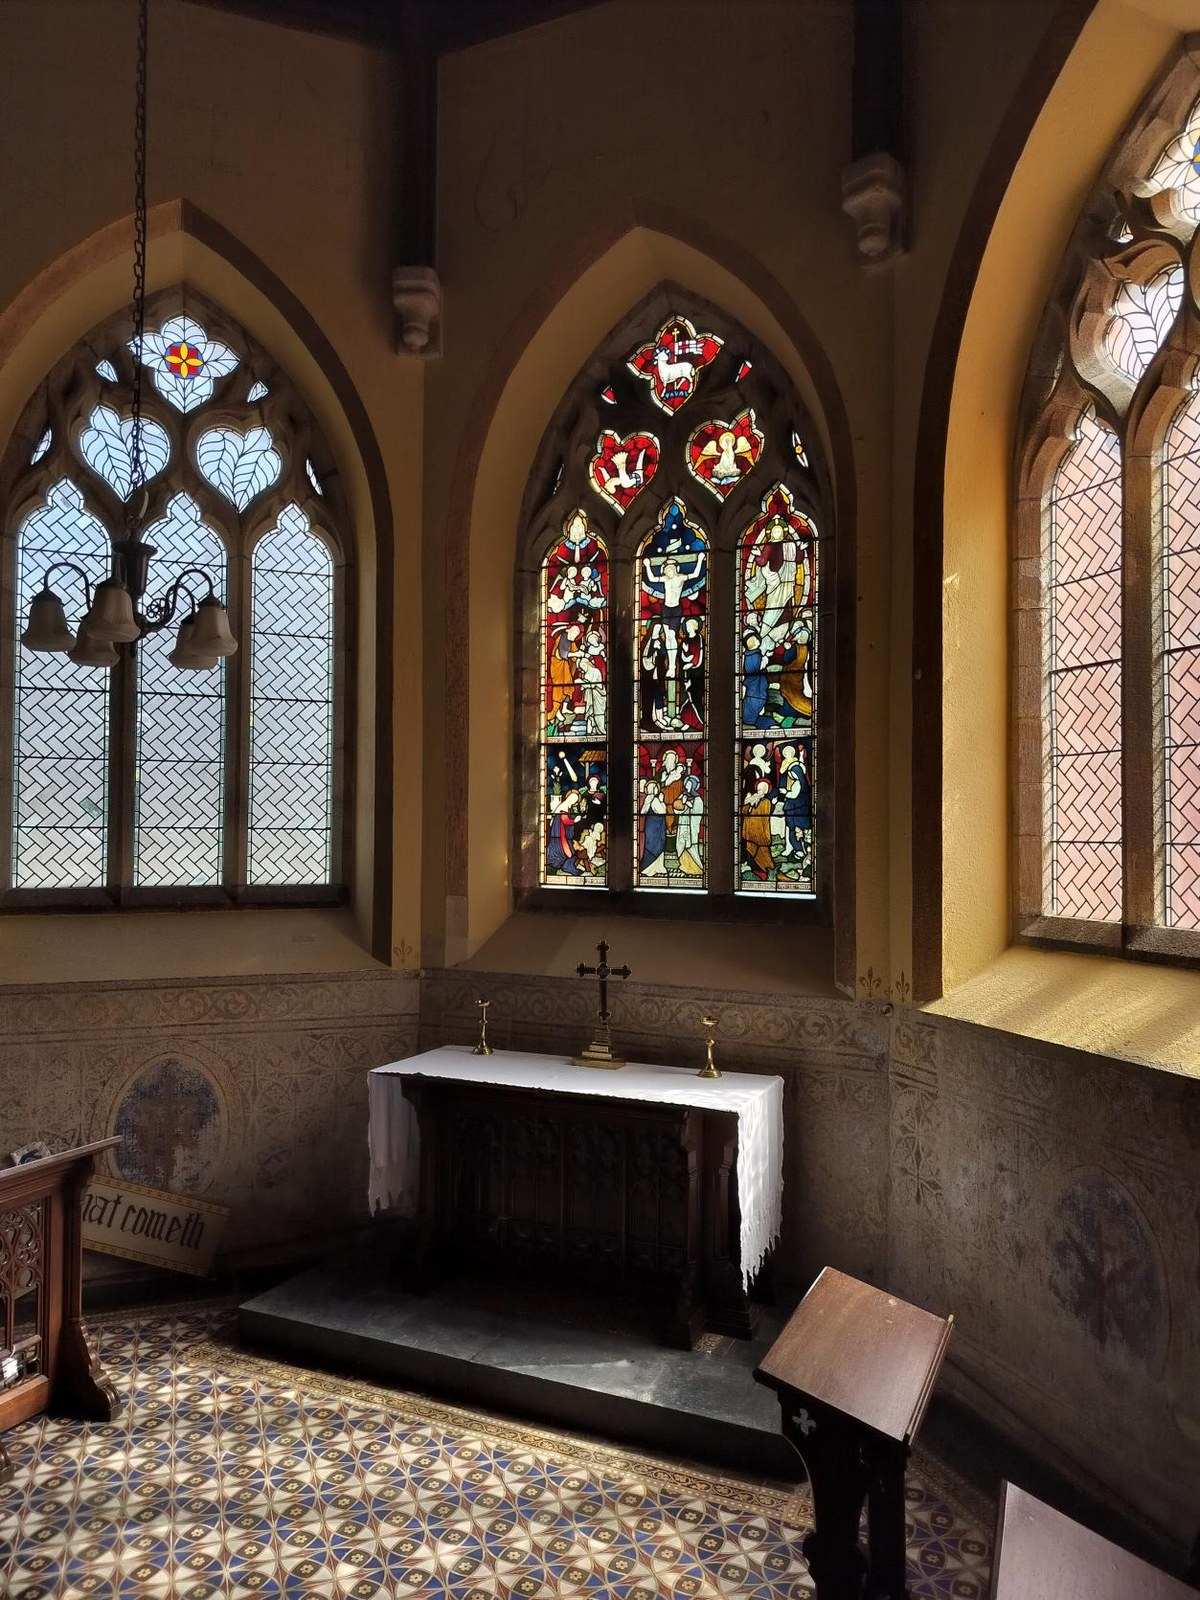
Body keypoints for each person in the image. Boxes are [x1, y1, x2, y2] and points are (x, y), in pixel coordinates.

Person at [741, 778, 775, 881]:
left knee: (762, 856)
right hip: (749, 832)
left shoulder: (766, 802)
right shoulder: (753, 799)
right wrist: (749, 804)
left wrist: (754, 804)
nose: (759, 791)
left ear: (766, 791)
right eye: (758, 788)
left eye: (762, 789)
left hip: (759, 834)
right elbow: (744, 811)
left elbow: (763, 815)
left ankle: (765, 872)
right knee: (750, 852)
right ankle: (753, 868)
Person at [546, 789, 581, 877]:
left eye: (575, 799)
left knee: (570, 851)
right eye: (572, 797)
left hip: (564, 835)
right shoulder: (564, 805)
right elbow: (565, 819)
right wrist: (575, 820)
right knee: (568, 852)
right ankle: (567, 866)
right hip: (560, 834)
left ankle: (568, 866)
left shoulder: (569, 807)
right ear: (568, 796)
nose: (572, 800)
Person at [675, 774, 704, 877]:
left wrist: (687, 803)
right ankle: (683, 866)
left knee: (691, 846)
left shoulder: (698, 799)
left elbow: (698, 812)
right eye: (686, 784)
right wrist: (681, 804)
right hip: (682, 825)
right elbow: (676, 809)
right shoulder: (683, 795)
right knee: (681, 845)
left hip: (691, 826)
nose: (687, 786)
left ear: (694, 786)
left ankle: (696, 868)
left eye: (689, 784)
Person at [679, 616, 705, 728]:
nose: (689, 627)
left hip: (696, 673)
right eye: (687, 625)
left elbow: (699, 656)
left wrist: (692, 663)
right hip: (686, 673)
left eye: (691, 624)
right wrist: (685, 653)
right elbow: (681, 658)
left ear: (696, 626)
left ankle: (701, 722)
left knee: (695, 697)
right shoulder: (684, 641)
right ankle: (687, 721)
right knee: (686, 697)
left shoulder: (699, 638)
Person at [638, 780, 667, 877]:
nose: (652, 789)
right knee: (650, 845)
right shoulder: (650, 799)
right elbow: (643, 812)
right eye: (650, 788)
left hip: (660, 826)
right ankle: (648, 869)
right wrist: (647, 802)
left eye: (654, 787)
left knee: (660, 845)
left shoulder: (657, 799)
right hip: (651, 826)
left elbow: (663, 811)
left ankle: (659, 867)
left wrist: (661, 801)